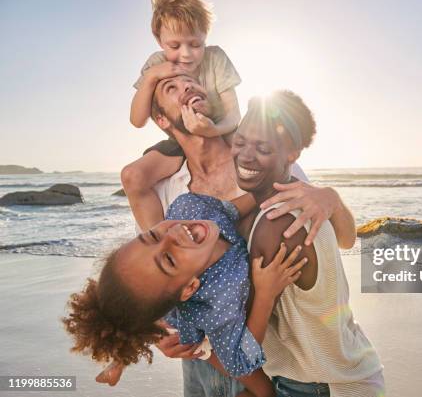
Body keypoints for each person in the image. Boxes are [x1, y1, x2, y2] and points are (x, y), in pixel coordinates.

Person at [112, 73, 358, 396]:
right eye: (171, 88)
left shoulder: (260, 162)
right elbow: (149, 279)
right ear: (161, 120)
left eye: (191, 82)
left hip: (262, 358)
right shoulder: (171, 190)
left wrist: (331, 197)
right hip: (201, 362)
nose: (185, 88)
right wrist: (158, 332)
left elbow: (338, 241)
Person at [63, 190, 307, 397]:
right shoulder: (218, 303)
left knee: (140, 320)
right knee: (261, 389)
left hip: (169, 298)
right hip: (192, 328)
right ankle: (120, 360)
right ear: (190, 287)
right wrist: (266, 293)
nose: (174, 233)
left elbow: (229, 211)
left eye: (153, 235)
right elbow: (240, 359)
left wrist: (264, 192)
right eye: (168, 259)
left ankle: (118, 361)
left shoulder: (187, 208)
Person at [233, 90, 385, 397]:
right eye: (239, 142)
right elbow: (347, 239)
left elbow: (246, 346)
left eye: (261, 147)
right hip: (342, 369)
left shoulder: (277, 224)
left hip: (323, 385)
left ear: (292, 154)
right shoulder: (299, 196)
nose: (245, 155)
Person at [122, 0, 242, 231]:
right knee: (132, 176)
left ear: (205, 35)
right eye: (175, 46)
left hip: (222, 131)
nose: (186, 55)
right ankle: (159, 243)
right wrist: (152, 77)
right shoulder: (156, 64)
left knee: (257, 155)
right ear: (159, 40)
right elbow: (137, 120)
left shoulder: (216, 58)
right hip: (182, 140)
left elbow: (234, 115)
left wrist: (213, 129)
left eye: (195, 44)